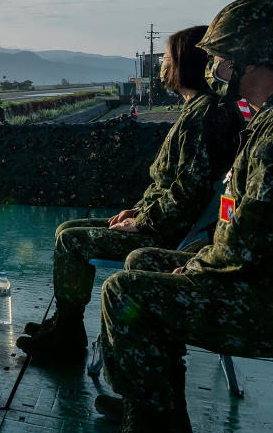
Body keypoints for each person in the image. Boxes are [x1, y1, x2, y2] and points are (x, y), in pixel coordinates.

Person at [100, 0, 273, 433]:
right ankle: (155, 406)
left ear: (250, 62)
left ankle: (155, 424)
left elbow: (250, 237)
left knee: (125, 291)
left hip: (260, 295)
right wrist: (203, 248)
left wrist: (197, 262)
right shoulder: (261, 123)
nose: (213, 66)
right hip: (249, 272)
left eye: (220, 56)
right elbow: (241, 218)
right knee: (141, 265)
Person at [15, 25, 243, 358]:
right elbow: (174, 185)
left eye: (166, 59)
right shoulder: (199, 111)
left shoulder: (204, 116)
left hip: (167, 234)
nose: (162, 66)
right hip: (161, 221)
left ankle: (68, 336)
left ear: (182, 63)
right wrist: (136, 211)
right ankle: (66, 324)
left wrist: (142, 221)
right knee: (66, 228)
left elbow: (189, 190)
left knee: (69, 240)